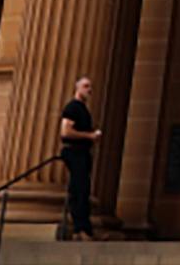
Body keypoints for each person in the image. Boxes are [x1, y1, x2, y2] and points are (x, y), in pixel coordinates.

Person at [58, 75, 101, 242]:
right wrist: (90, 136)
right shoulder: (73, 107)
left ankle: (83, 229)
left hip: (81, 153)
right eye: (85, 86)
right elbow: (65, 132)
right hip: (74, 152)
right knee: (79, 190)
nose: (89, 90)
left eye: (90, 87)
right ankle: (80, 229)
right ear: (77, 88)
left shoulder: (82, 109)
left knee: (82, 190)